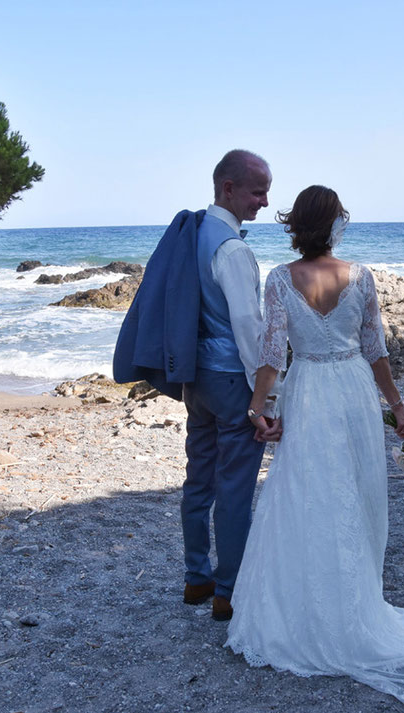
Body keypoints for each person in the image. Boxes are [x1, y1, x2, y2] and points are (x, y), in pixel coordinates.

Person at [224, 185, 404, 702]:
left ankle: (313, 610)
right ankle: (353, 606)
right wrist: (398, 409)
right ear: (335, 224)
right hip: (353, 388)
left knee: (305, 493)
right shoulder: (362, 277)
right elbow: (376, 352)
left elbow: (272, 358)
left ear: (295, 226)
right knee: (355, 492)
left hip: (308, 389)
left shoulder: (279, 280)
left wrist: (258, 411)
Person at [113, 149, 279, 622]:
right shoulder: (232, 249)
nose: (264, 202)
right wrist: (265, 396)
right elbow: (249, 328)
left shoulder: (193, 234)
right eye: (258, 191)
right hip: (231, 380)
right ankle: (227, 591)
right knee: (235, 488)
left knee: (198, 480)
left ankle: (195, 578)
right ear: (229, 188)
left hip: (196, 379)